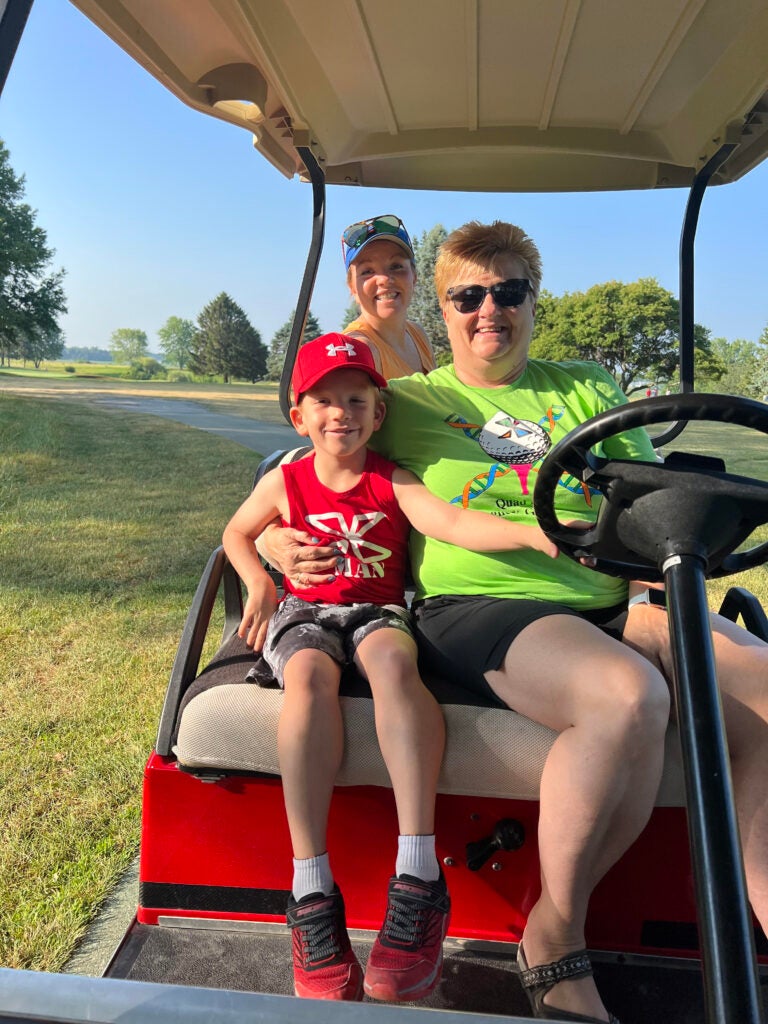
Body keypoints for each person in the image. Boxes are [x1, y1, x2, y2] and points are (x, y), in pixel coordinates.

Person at [260, 222, 768, 1024]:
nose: (489, 309)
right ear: (446, 306)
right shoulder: (415, 402)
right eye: (469, 295)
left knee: (765, 690)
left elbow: (635, 493)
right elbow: (318, 458)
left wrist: (642, 572)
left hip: (613, 596)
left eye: (509, 291)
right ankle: (553, 938)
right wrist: (269, 536)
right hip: (484, 606)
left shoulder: (585, 385)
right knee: (628, 698)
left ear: (535, 299)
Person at [223, 332, 560, 1004]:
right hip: (306, 613)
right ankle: (311, 887)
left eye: (356, 399)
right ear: (299, 416)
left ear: (379, 413)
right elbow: (237, 531)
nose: (340, 413)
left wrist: (530, 531)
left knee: (391, 664)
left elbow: (454, 521)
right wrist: (257, 581)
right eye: (323, 401)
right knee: (310, 677)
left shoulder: (391, 476)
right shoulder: (284, 480)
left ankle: (417, 875)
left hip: (378, 611)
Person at [341, 213, 436, 377]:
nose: (384, 279)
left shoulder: (418, 335)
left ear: (414, 277)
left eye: (396, 266)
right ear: (352, 288)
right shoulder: (357, 350)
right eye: (367, 271)